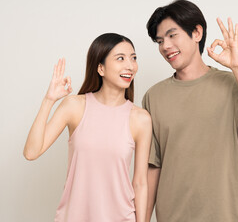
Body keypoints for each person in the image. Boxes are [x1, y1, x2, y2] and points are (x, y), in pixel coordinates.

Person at [142, 0, 238, 222]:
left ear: (197, 32)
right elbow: (152, 168)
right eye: (159, 41)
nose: (165, 46)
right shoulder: (153, 97)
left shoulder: (231, 84)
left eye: (172, 35)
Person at [23, 33, 152, 222]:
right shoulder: (74, 106)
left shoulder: (140, 119)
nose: (130, 66)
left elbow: (140, 183)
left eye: (133, 58)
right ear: (100, 68)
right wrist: (48, 100)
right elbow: (31, 152)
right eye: (120, 58)